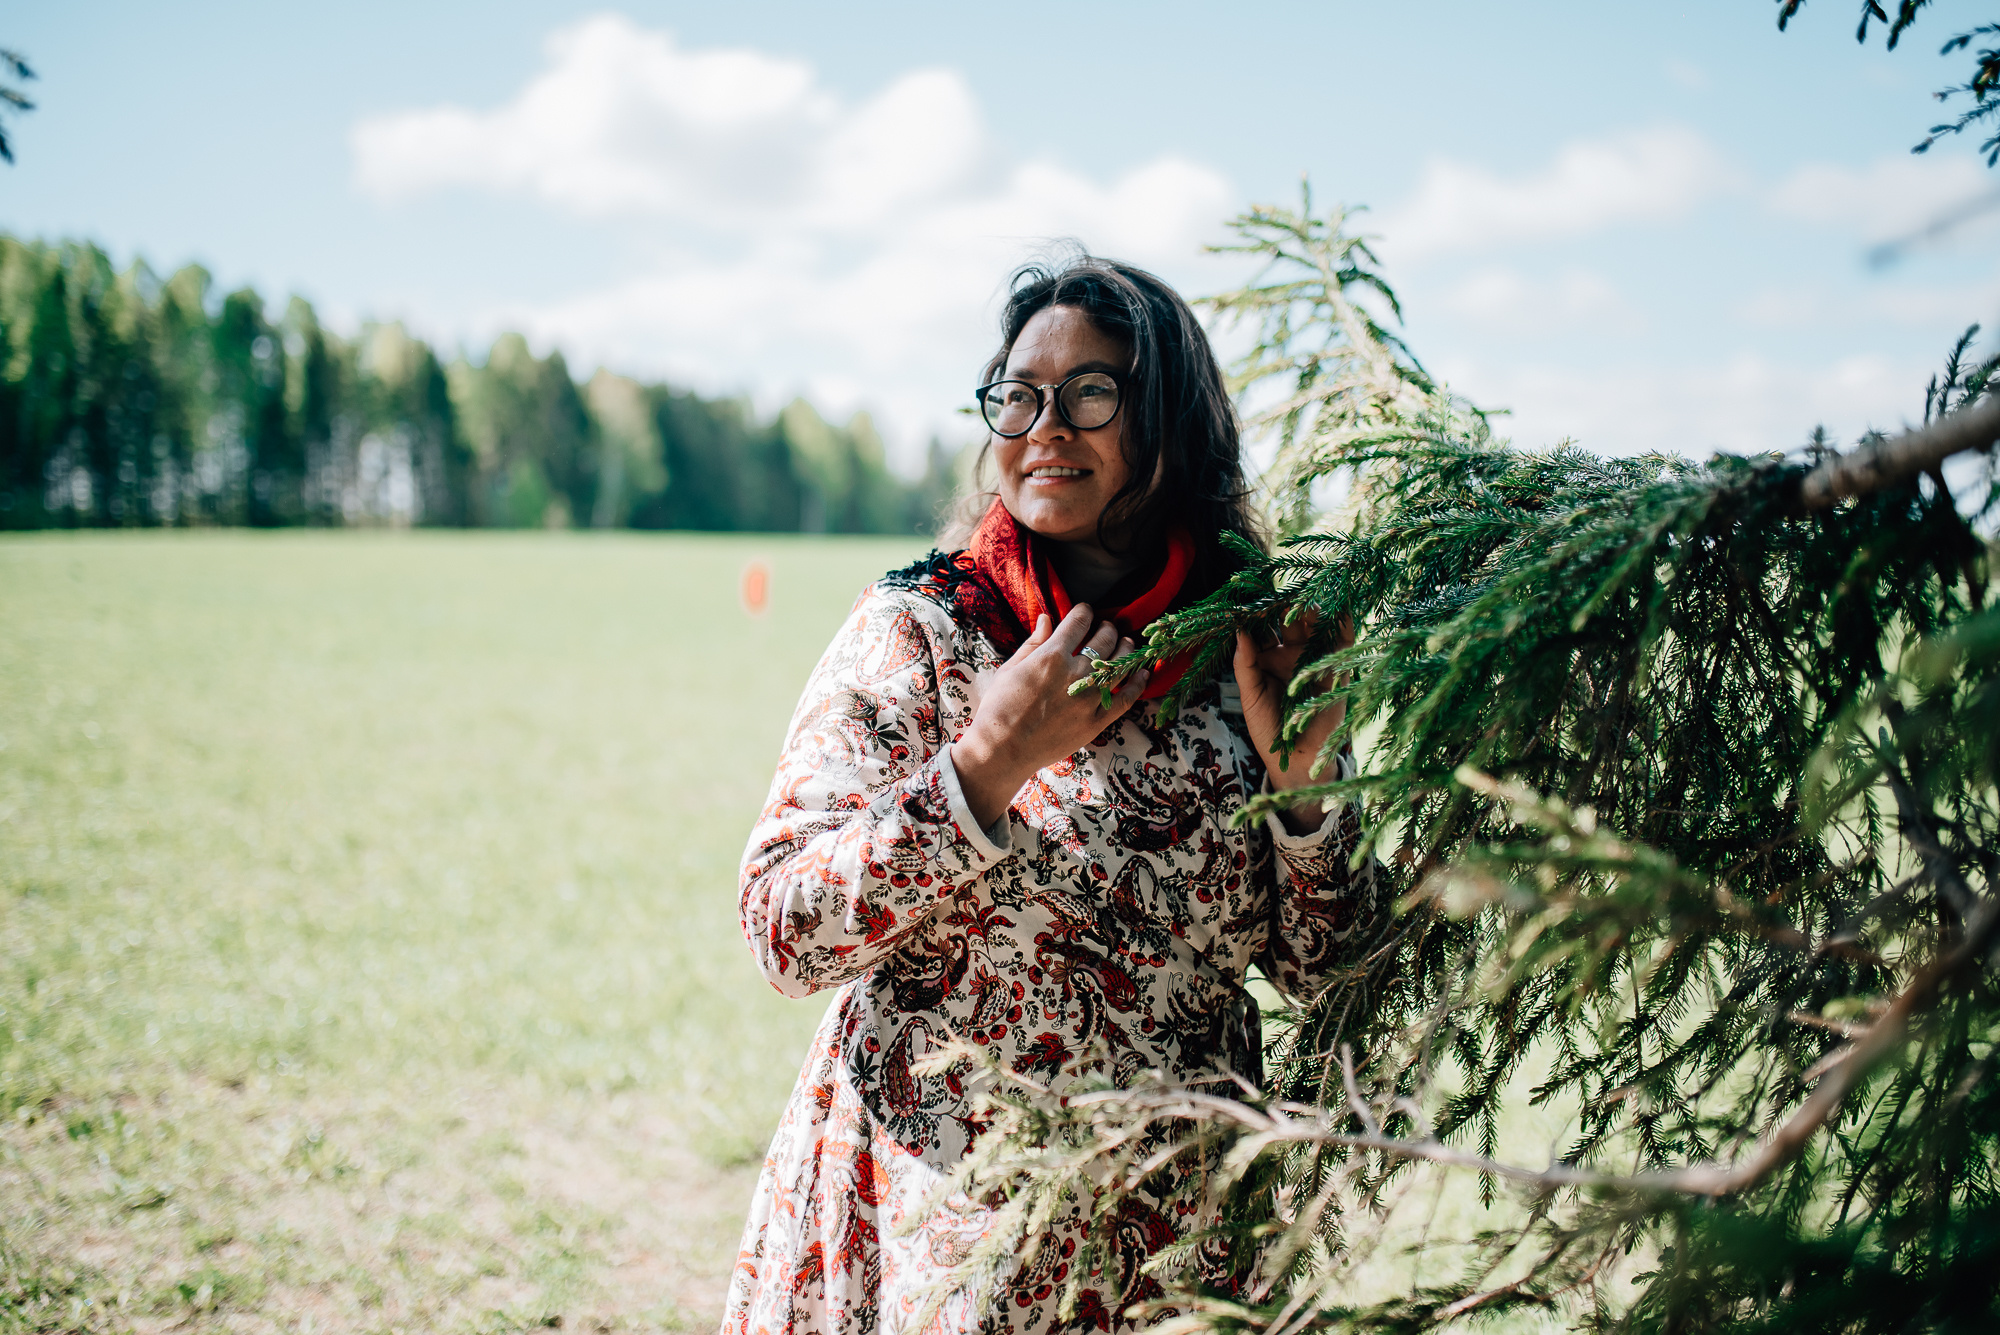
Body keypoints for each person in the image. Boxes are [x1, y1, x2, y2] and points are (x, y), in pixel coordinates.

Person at [720, 253, 1371, 1335]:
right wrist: (984, 766)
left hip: (1169, 1251)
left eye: (1089, 393)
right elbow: (783, 930)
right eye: (1017, 395)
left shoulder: (1247, 654)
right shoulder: (921, 634)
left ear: (1170, 423)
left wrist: (1303, 791)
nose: (1044, 426)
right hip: (935, 1242)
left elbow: (1334, 978)